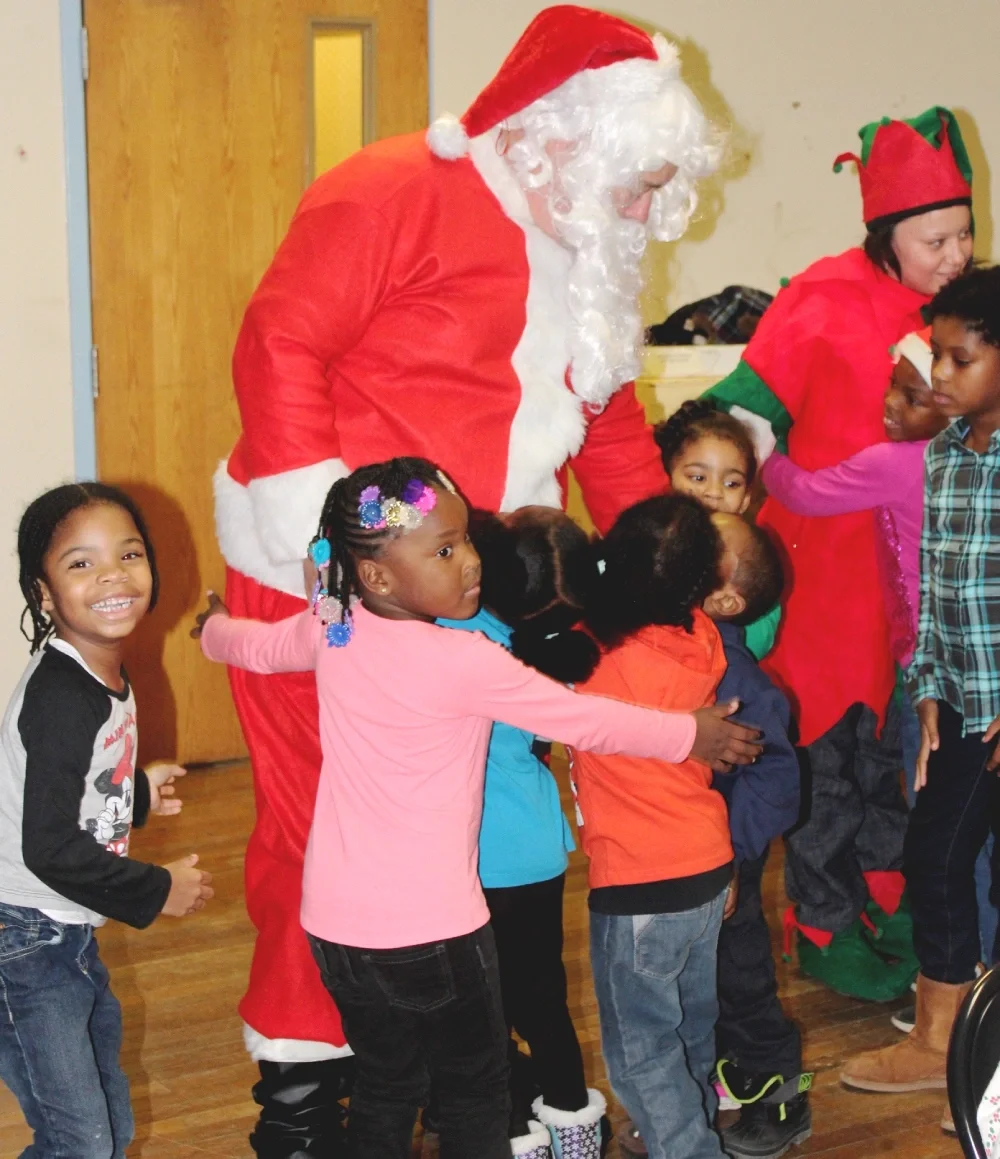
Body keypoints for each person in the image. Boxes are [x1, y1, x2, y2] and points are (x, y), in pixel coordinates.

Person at [212, 8, 717, 1145]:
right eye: (631, 182)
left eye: (651, 189)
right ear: (557, 139)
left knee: (458, 844)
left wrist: (666, 563)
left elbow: (610, 418)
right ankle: (300, 1099)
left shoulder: (583, 252)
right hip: (327, 583)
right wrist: (322, 553)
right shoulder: (392, 189)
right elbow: (279, 342)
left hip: (465, 605)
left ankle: (442, 1069)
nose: (638, 212)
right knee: (323, 839)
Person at [196, 458, 762, 1159]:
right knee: (473, 1093)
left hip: (334, 928)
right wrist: (691, 733)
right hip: (434, 932)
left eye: (464, 538)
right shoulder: (462, 659)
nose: (469, 561)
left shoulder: (333, 625)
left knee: (385, 1083)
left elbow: (255, 645)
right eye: (443, 550)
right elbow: (587, 720)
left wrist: (212, 629)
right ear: (376, 575)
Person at [704, 106, 975, 1000]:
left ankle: (899, 913)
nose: (955, 253)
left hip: (924, 595)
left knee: (907, 764)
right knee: (825, 765)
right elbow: (744, 412)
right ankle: (819, 923)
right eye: (934, 237)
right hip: (823, 585)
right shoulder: (819, 298)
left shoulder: (968, 314)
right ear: (886, 234)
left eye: (965, 232)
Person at [0, 483, 214, 1158]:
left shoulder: (99, 674)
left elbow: (76, 793)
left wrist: (138, 794)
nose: (113, 575)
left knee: (108, 1130)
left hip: (60, 933)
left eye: (128, 553)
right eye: (81, 563)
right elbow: (51, 845)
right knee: (82, 1141)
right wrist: (156, 888)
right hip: (24, 938)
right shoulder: (65, 697)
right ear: (44, 593)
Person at [840, 267, 1000, 1131]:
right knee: (935, 859)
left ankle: (996, 1070)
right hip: (963, 706)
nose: (938, 373)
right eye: (935, 353)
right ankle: (943, 1037)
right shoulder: (942, 454)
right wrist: (929, 689)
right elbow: (933, 588)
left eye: (960, 357)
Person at [762, 329, 948, 991]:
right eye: (892, 387)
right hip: (898, 648)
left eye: (910, 394)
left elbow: (808, 491)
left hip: (917, 657)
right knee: (869, 778)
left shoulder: (900, 461)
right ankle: (852, 911)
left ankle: (866, 910)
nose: (890, 404)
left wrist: (766, 457)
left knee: (885, 776)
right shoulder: (961, 452)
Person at [615, 513, 804, 1159]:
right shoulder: (667, 642)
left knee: (739, 979)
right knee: (689, 989)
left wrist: (734, 856)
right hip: (675, 856)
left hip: (725, 863)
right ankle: (701, 1093)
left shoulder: (737, 675)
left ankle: (779, 1094)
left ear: (723, 599)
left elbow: (779, 779)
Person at [571, 493, 740, 1159]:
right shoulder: (701, 636)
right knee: (691, 1023)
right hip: (706, 866)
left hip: (639, 883)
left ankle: (686, 1145)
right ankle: (687, 1121)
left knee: (641, 1047)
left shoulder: (597, 656)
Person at [436, 506, 605, 1158]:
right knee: (545, 997)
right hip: (541, 846)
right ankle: (574, 1126)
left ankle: (514, 1134)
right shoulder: (555, 650)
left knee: (486, 1013)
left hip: (480, 855)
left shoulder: (455, 633)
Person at [654, 398, 780, 660]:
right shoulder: (644, 542)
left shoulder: (751, 563)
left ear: (746, 498)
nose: (713, 492)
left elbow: (757, 640)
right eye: (698, 478)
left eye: (732, 483)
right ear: (667, 480)